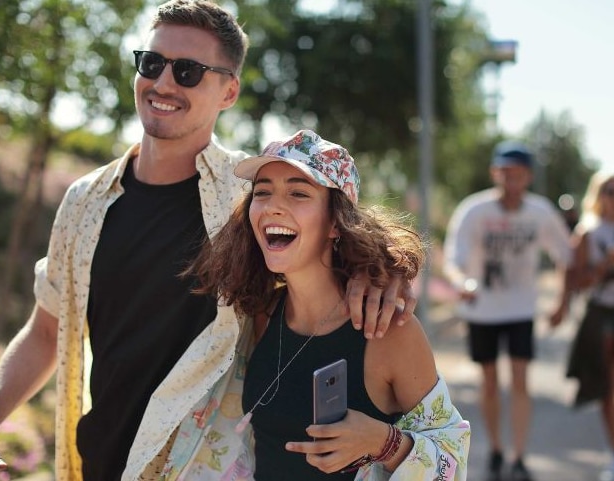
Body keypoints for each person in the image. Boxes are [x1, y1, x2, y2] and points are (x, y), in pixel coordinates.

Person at [0, 2, 415, 481]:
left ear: (229, 90)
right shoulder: (85, 202)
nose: (164, 83)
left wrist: (382, 274)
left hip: (200, 466)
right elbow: (45, 332)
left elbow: (330, 249)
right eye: (152, 64)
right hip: (98, 464)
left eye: (188, 71)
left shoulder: (249, 198)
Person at [187, 129, 471, 480]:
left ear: (336, 222)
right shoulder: (258, 315)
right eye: (262, 193)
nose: (274, 206)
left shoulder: (388, 330)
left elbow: (452, 461)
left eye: (298, 192)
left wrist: (385, 442)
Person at [442, 140, 572, 481]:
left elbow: (565, 255)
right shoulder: (475, 211)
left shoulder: (540, 213)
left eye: (517, 173)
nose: (510, 179)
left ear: (527, 176)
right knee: (488, 383)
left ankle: (519, 455)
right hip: (482, 310)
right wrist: (462, 283)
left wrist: (562, 301)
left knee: (519, 381)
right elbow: (454, 258)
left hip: (520, 309)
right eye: (504, 171)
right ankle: (497, 448)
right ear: (494, 173)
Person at [553, 173, 614, 481]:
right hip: (599, 310)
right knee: (607, 385)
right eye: (610, 190)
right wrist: (605, 263)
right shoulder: (586, 234)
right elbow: (577, 280)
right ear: (599, 195)